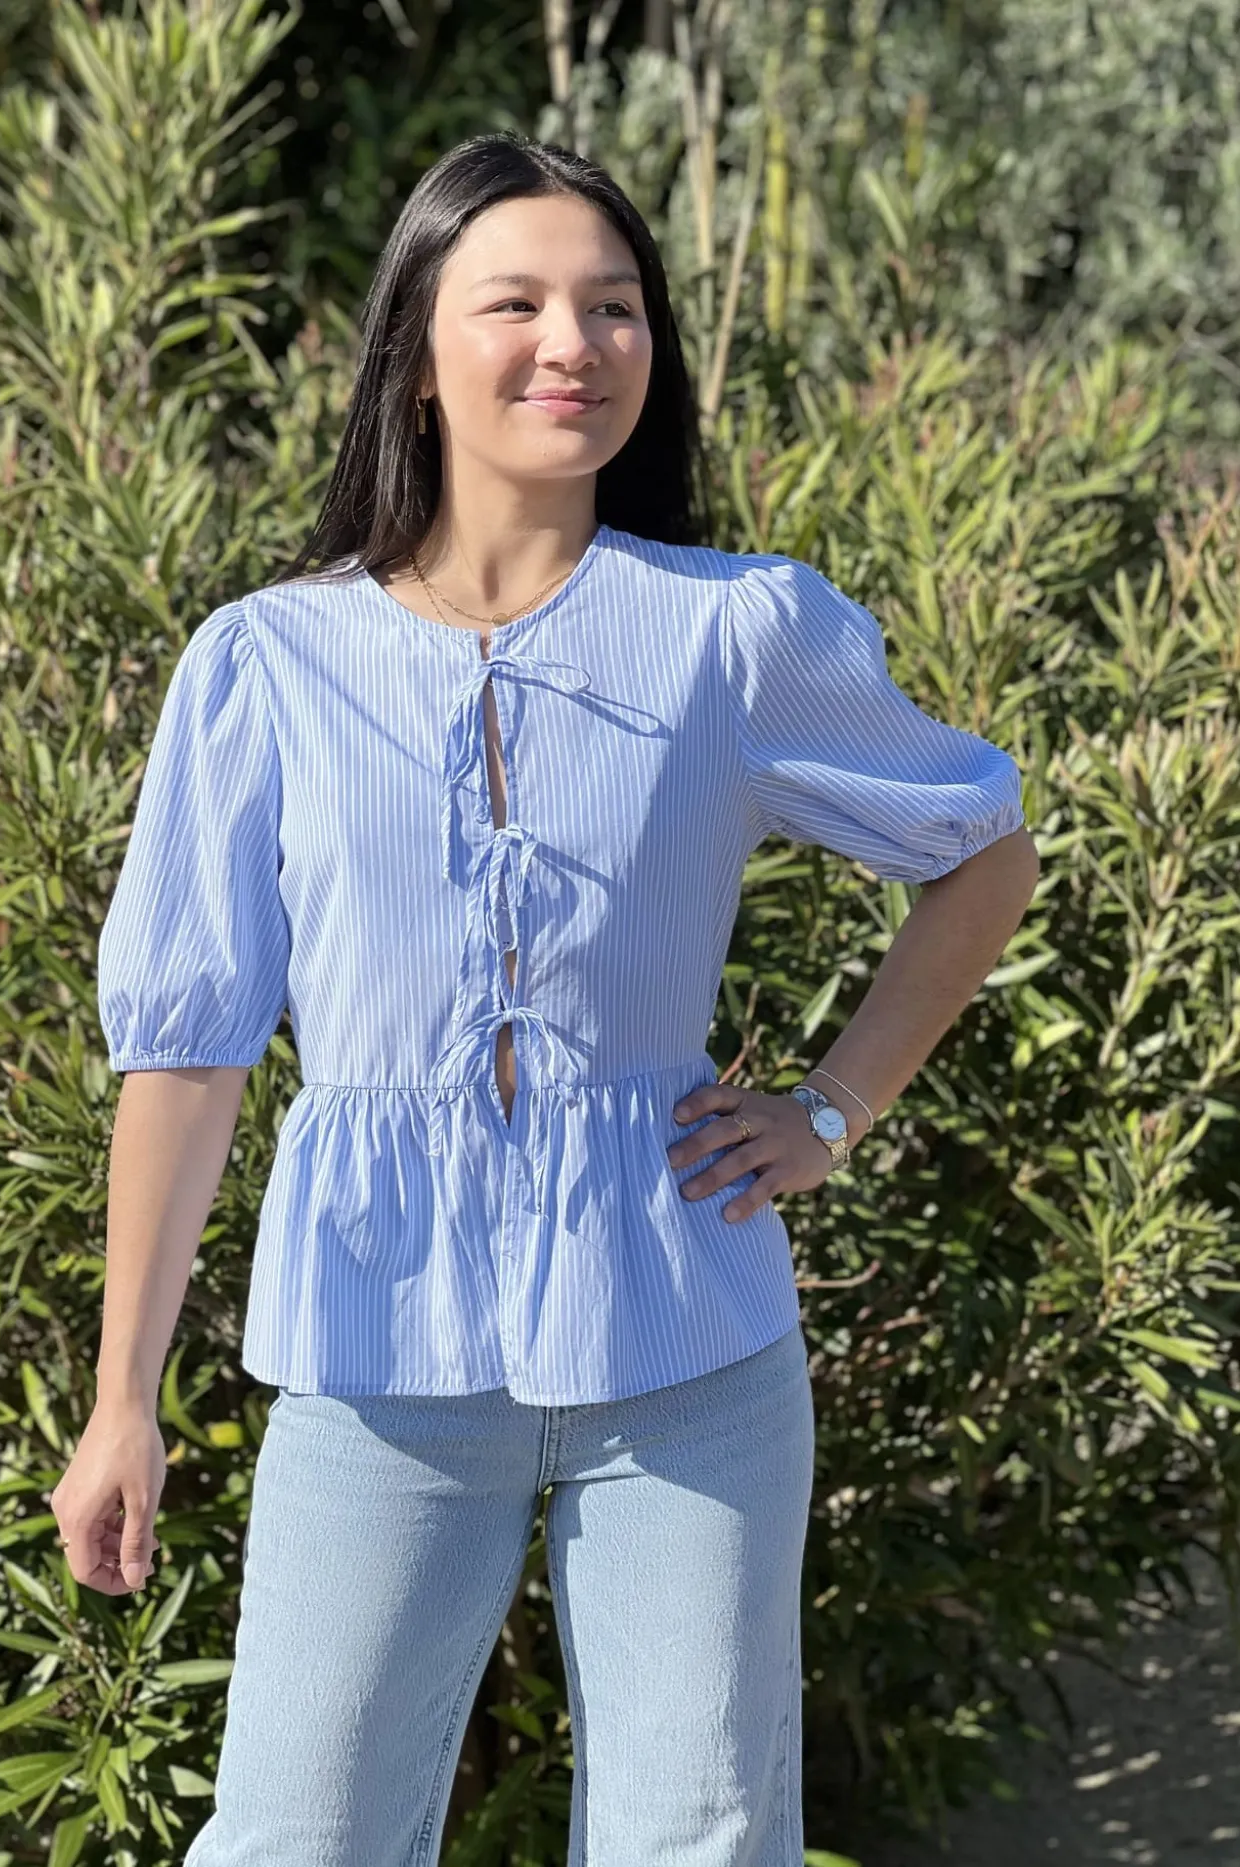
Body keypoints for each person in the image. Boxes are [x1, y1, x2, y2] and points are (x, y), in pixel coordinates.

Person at [51, 129, 1039, 1866]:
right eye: (515, 302)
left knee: (699, 1838)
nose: (573, 343)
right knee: (296, 1835)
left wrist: (831, 1110)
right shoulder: (268, 663)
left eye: (615, 305)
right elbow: (187, 1050)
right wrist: (121, 1393)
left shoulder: (736, 633)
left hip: (690, 1343)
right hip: (375, 1350)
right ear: (418, 351)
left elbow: (985, 847)